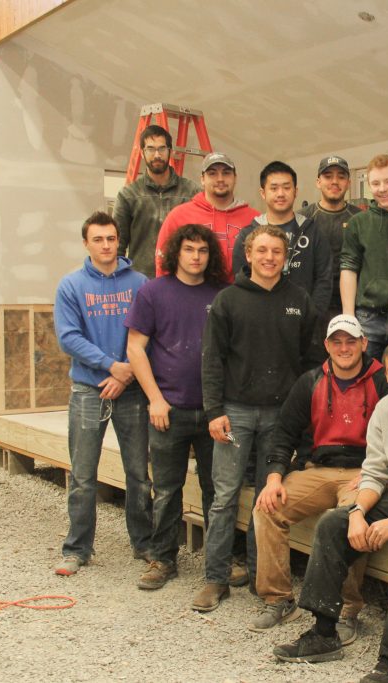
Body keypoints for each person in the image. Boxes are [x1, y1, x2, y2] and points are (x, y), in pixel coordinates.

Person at [271, 339, 388, 683]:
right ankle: (324, 633)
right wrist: (358, 511)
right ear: (385, 374)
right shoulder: (386, 408)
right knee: (334, 522)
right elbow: (375, 472)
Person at [191, 225, 317, 612]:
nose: (269, 257)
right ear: (248, 254)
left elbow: (311, 363)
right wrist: (214, 412)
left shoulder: (299, 299)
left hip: (281, 416)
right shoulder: (229, 300)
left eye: (276, 251)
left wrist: (303, 418)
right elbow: (211, 360)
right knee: (225, 495)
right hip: (236, 413)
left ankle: (262, 579)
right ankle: (215, 579)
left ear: (285, 256)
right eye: (261, 250)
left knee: (268, 499)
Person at [250, 315, 388, 635]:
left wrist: (377, 472)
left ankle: (347, 608)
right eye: (337, 341)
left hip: (363, 471)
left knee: (349, 517)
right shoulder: (311, 381)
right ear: (327, 345)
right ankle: (279, 599)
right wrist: (274, 477)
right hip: (318, 469)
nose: (344, 348)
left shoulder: (381, 380)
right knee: (267, 507)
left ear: (364, 344)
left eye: (351, 341)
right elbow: (284, 433)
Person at [125, 224, 225, 590]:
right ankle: (162, 559)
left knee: (217, 489)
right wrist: (155, 399)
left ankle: (219, 563)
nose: (196, 256)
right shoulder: (153, 292)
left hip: (214, 411)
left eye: (202, 250)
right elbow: (135, 348)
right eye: (189, 249)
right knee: (167, 490)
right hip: (168, 409)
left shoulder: (222, 294)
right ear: (175, 253)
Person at [53, 211, 151, 576]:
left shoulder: (140, 284)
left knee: (138, 473)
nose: (106, 246)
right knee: (82, 474)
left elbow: (149, 333)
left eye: (111, 239)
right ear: (86, 244)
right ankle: (77, 548)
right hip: (88, 390)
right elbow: (68, 337)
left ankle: (144, 543)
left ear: (119, 241)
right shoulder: (71, 285)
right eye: (98, 239)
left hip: (131, 390)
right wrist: (112, 367)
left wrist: (125, 376)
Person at [340, 154, 388, 360]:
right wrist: (349, 317)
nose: (382, 189)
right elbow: (348, 268)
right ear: (368, 185)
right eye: (375, 183)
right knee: (367, 384)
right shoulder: (358, 223)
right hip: (367, 318)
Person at [232, 161, 333, 319]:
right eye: (274, 188)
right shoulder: (248, 234)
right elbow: (240, 279)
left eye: (286, 187)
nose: (280, 193)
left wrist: (312, 316)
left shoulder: (313, 231)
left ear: (295, 191)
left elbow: (324, 280)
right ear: (263, 193)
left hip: (303, 323)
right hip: (259, 320)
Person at [154, 152, 259, 283]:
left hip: (241, 299)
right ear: (202, 179)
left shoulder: (255, 219)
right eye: (212, 173)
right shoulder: (179, 216)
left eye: (226, 173)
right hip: (192, 299)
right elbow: (163, 264)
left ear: (235, 178)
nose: (220, 179)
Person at [114, 124, 199, 278]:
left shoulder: (191, 192)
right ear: (142, 153)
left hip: (182, 279)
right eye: (151, 149)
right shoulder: (128, 195)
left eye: (162, 149)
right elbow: (118, 246)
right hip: (141, 280)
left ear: (170, 152)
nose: (157, 155)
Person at [297, 156, 365, 322]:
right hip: (311, 307)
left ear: (348, 183)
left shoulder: (361, 218)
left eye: (341, 177)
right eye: (328, 176)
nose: (335, 182)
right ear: (318, 182)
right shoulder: (301, 219)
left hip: (352, 307)